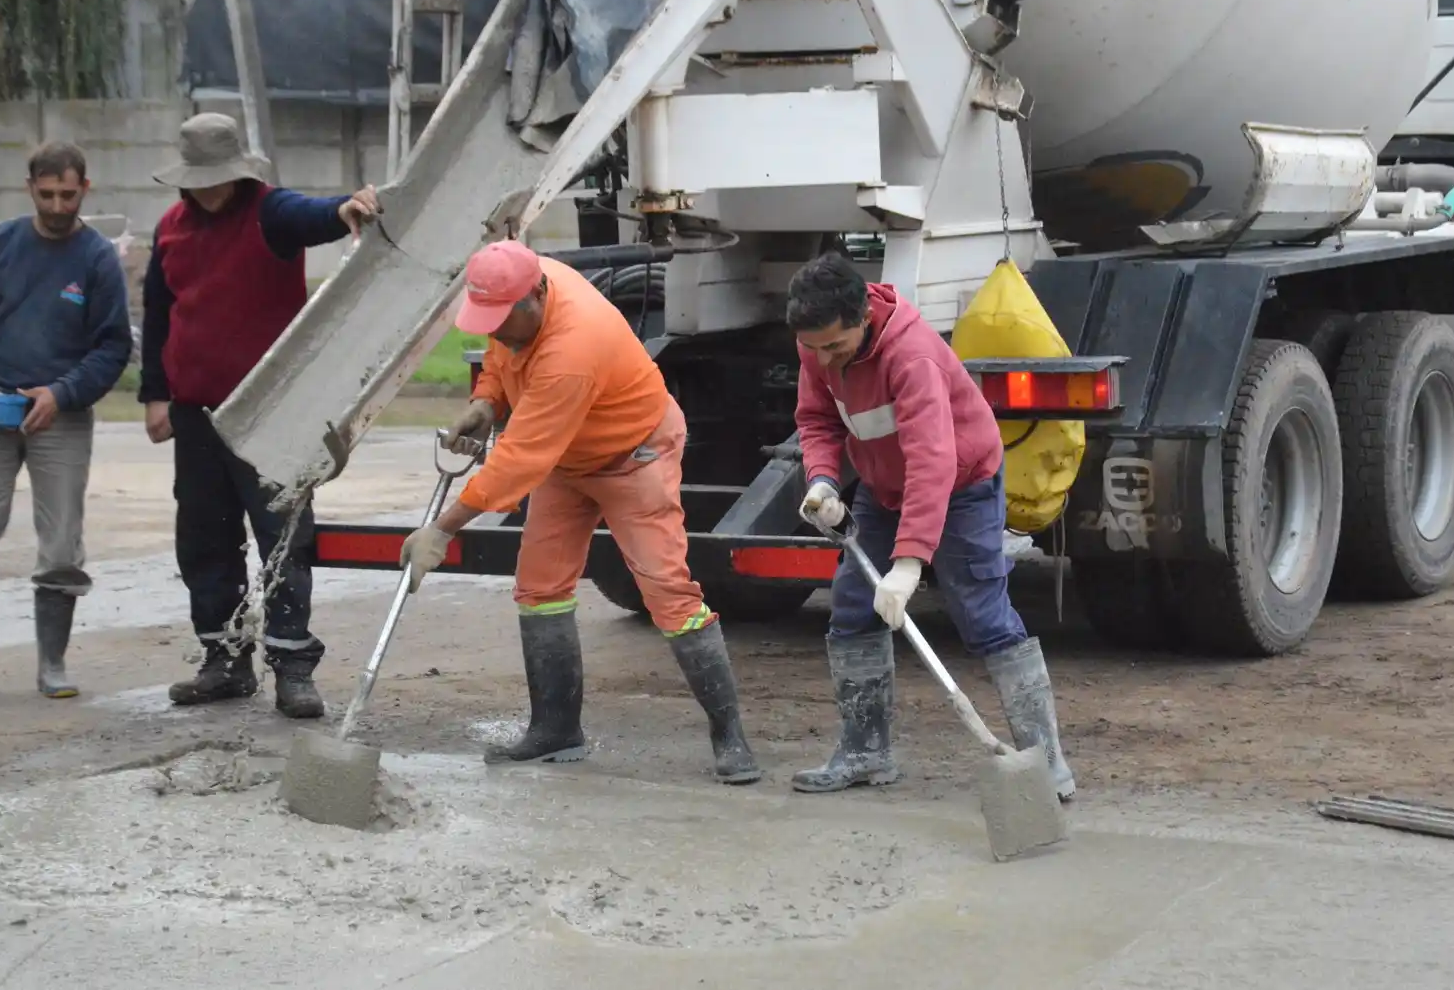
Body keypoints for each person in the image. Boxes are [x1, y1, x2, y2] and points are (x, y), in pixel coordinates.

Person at [400, 240, 762, 785]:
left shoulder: (572, 348)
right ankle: (555, 731)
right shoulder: (516, 287)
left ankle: (730, 736)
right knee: (539, 587)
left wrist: (441, 529)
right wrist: (487, 400)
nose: (497, 331)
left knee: (668, 592)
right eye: (488, 321)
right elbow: (502, 350)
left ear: (538, 294)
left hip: (633, 456)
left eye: (503, 320)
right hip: (567, 459)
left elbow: (518, 460)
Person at [787, 251, 1075, 800]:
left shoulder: (912, 356)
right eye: (812, 348)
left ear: (864, 317)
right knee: (853, 606)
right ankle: (865, 753)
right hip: (883, 486)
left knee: (983, 614)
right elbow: (817, 419)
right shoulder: (817, 345)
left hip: (962, 482)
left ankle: (1046, 764)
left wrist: (910, 562)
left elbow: (932, 461)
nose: (822, 358)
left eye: (834, 346)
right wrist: (822, 481)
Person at [138, 112, 379, 719]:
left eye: (219, 178)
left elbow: (316, 214)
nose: (210, 189)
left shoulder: (270, 211)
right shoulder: (169, 228)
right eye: (200, 180)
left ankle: (292, 667)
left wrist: (346, 209)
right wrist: (156, 394)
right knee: (204, 539)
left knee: (284, 539)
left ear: (239, 173)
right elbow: (160, 314)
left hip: (272, 414)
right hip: (196, 414)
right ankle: (224, 661)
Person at [0, 142, 133, 696]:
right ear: (30, 189)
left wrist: (63, 393)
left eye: (68, 195)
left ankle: (52, 663)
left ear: (85, 189)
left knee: (62, 544)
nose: (58, 206)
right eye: (47, 195)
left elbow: (113, 346)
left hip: (60, 416)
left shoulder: (96, 259)